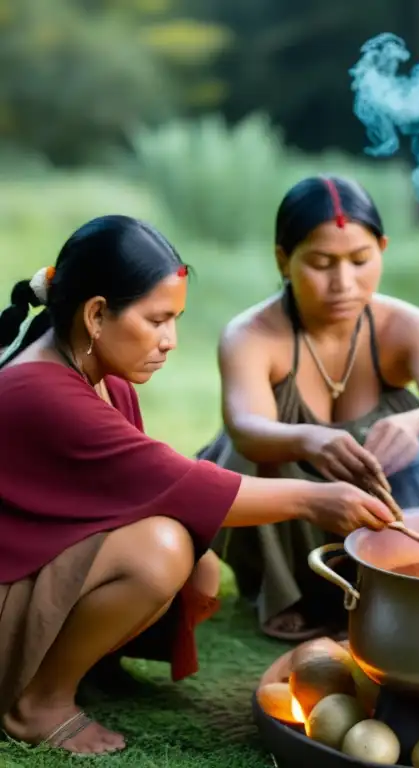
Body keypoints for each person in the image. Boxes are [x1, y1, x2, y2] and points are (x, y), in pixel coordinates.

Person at [0, 215, 395, 756]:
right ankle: (36, 704)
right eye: (157, 320)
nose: (171, 341)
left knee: (195, 559)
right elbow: (179, 484)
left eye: (177, 320)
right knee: (159, 553)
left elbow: (131, 496)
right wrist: (318, 498)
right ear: (96, 314)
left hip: (25, 567)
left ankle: (76, 667)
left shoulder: (100, 374)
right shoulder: (42, 391)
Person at [199, 175, 419, 641]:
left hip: (380, 493)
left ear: (382, 248)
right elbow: (245, 427)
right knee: (249, 457)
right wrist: (308, 438)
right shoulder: (251, 334)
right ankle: (289, 593)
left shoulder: (407, 327)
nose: (343, 282)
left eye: (360, 261)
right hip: (288, 491)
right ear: (284, 259)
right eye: (321, 264)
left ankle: (405, 576)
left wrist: (415, 421)